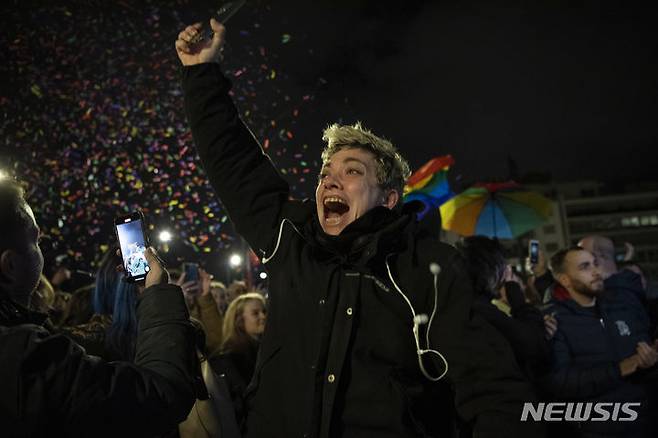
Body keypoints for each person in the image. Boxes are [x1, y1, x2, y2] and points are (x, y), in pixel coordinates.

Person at [176, 19, 541, 438]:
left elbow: (492, 388)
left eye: (352, 171)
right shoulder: (288, 237)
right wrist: (201, 73)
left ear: (388, 198)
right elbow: (234, 162)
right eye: (326, 172)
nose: (330, 180)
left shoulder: (430, 269)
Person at [0, 179, 199, 435]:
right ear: (10, 266)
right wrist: (157, 293)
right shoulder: (24, 359)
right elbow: (160, 396)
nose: (42, 249)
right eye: (36, 240)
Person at [544, 246, 658, 437]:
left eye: (595, 264)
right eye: (584, 267)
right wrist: (619, 369)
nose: (596, 272)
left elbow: (642, 361)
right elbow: (560, 382)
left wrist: (651, 359)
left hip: (644, 423)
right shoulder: (555, 322)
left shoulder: (620, 308)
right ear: (564, 280)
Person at [459, 236, 551, 384]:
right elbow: (535, 348)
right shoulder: (482, 310)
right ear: (495, 269)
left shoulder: (463, 303)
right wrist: (519, 302)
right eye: (504, 266)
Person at [210, 292, 267, 418]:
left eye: (264, 311)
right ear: (239, 320)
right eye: (255, 313)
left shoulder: (264, 350)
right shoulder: (227, 360)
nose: (263, 316)